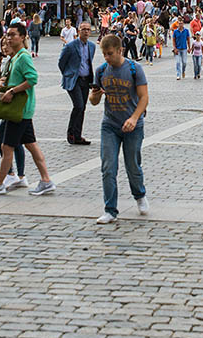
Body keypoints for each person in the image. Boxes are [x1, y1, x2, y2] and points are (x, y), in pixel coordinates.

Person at [0, 22, 55, 197]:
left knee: (7, 146)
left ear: (22, 37)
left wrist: (12, 91)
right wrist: (4, 82)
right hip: (19, 110)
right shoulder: (15, 57)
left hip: (19, 110)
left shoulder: (23, 57)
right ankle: (46, 180)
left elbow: (32, 79)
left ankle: (0, 183)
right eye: (8, 34)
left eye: (13, 34)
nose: (10, 37)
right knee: (30, 145)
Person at [89, 34, 150, 224]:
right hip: (110, 124)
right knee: (108, 166)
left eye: (110, 54)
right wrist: (96, 94)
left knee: (132, 165)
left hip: (133, 125)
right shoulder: (101, 71)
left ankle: (139, 194)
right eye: (104, 54)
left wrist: (134, 117)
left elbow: (144, 97)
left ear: (120, 51)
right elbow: (93, 101)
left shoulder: (134, 69)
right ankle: (110, 210)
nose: (107, 58)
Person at [58, 21, 95, 146]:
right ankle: (71, 133)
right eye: (83, 29)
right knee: (78, 105)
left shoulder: (91, 46)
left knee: (82, 107)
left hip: (86, 80)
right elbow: (61, 62)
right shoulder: (70, 46)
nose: (86, 31)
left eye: (88, 29)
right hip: (74, 80)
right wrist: (68, 74)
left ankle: (78, 135)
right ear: (78, 30)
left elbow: (89, 62)